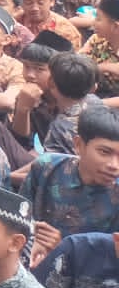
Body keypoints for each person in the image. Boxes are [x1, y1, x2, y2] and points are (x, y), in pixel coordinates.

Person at [21, 105, 119, 265]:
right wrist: (33, 232)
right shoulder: (46, 167)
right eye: (104, 152)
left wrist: (64, 248)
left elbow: (110, 259)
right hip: (28, 253)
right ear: (79, 145)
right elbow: (18, 214)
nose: (114, 165)